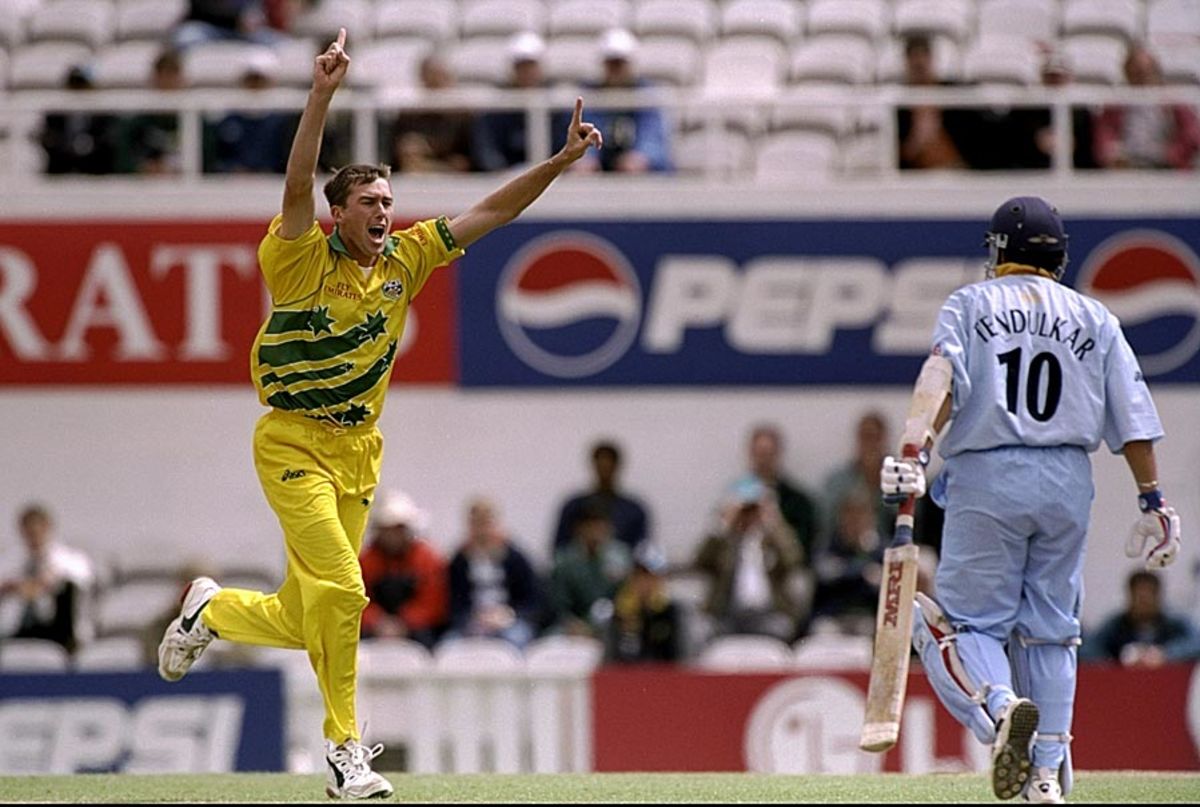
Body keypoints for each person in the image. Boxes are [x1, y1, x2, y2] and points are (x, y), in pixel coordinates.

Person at [154, 27, 602, 801]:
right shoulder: (298, 254)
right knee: (347, 592)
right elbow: (296, 183)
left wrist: (558, 165)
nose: (385, 213)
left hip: (359, 452)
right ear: (338, 213)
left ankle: (215, 611)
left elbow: (491, 211)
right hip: (292, 441)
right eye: (369, 202)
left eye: (389, 201)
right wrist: (321, 93)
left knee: (308, 615)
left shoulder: (407, 258)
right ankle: (344, 752)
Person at [881, 195, 1182, 804]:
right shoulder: (1095, 317)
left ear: (998, 252)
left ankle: (997, 711)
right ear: (1059, 256)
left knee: (964, 625)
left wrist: (915, 453)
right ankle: (1046, 775)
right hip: (1068, 479)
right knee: (1051, 633)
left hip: (989, 474)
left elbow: (943, 380)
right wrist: (1153, 501)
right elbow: (1133, 418)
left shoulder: (968, 303)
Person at [693, 477, 805, 644]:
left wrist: (773, 521)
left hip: (768, 613)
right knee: (702, 629)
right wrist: (723, 523)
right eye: (745, 510)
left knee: (782, 627)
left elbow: (794, 560)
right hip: (727, 614)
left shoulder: (771, 540)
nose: (749, 516)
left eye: (754, 510)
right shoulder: (724, 542)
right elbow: (699, 562)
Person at [566, 28, 673, 174]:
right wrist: (585, 158)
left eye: (620, 63)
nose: (615, 69)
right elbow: (584, 131)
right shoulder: (589, 96)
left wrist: (641, 157)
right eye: (611, 63)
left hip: (639, 175)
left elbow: (653, 135)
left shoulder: (646, 96)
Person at [446, 496, 544, 650]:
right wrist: (473, 617)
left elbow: (532, 601)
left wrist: (509, 614)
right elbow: (454, 603)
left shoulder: (515, 557)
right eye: (476, 523)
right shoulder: (459, 560)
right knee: (449, 645)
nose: (482, 530)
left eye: (486, 523)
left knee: (516, 639)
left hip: (510, 620)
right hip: (472, 621)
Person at [0, 504, 96, 654]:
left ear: (47, 528)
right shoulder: (11, 561)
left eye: (37, 531)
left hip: (57, 629)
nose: (33, 537)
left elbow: (85, 576)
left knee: (67, 588)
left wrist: (51, 579)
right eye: (28, 532)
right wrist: (13, 587)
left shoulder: (67, 558)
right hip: (19, 626)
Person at [358, 490, 448, 649]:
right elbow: (356, 600)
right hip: (373, 629)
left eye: (398, 528)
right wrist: (378, 622)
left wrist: (403, 623)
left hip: (417, 629)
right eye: (387, 529)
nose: (393, 535)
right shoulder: (365, 560)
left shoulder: (428, 559)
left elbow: (433, 603)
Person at [1094, 43, 1200, 170]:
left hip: (1166, 167)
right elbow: (1104, 135)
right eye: (1136, 73)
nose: (1142, 78)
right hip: (1127, 167)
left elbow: (1192, 133)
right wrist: (1112, 156)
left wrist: (1174, 155)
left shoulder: (1174, 101)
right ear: (1127, 74)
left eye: (1147, 72)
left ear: (1156, 71)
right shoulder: (1116, 104)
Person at [732, 423, 820, 562]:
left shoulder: (798, 502)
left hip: (780, 575)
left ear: (778, 454)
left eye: (768, 454)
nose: (763, 461)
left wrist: (775, 522)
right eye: (759, 454)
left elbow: (803, 550)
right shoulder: (734, 497)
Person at [471, 31, 557, 172]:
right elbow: (487, 150)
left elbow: (563, 144)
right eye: (521, 66)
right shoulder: (496, 109)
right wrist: (503, 173)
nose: (527, 72)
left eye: (531, 65)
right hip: (505, 180)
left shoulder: (558, 107)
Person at [1079, 570, 1200, 667]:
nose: (1144, 603)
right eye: (1140, 597)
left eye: (1149, 596)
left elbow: (1195, 644)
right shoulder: (1115, 625)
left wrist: (1165, 655)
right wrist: (1115, 662)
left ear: (1158, 596)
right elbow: (1089, 649)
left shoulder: (1175, 623)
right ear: (1130, 596)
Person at [549, 500, 632, 640]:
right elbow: (559, 604)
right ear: (579, 529)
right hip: (574, 624)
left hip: (613, 623)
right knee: (552, 637)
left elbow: (626, 595)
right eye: (591, 527)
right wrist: (573, 624)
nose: (596, 533)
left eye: (601, 527)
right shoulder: (564, 560)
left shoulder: (621, 556)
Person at [808, 486, 885, 638]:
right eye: (849, 515)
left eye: (860, 515)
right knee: (822, 631)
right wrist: (863, 572)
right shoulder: (828, 546)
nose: (854, 521)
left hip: (867, 617)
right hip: (833, 616)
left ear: (871, 518)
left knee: (872, 633)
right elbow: (827, 574)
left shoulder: (881, 549)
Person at [551, 439, 650, 555]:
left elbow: (642, 549)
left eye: (608, 466)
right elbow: (559, 547)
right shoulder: (574, 507)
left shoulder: (633, 511)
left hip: (622, 570)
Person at [204, 52, 296, 174]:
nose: (255, 86)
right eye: (251, 80)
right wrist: (232, 169)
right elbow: (217, 159)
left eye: (260, 81)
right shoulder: (227, 121)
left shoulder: (282, 122)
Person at [389, 55, 475, 174]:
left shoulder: (463, 117)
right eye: (432, 77)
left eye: (442, 77)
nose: (438, 83)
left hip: (456, 179)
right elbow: (402, 156)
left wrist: (429, 151)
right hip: (414, 177)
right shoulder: (409, 115)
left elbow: (464, 163)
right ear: (423, 80)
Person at [820, 410, 895, 545]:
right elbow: (827, 523)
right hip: (843, 551)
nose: (870, 444)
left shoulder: (899, 480)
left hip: (889, 547)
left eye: (875, 437)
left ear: (884, 440)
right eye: (865, 437)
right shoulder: (837, 482)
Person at [896, 35, 968, 170]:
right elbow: (896, 154)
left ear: (931, 60)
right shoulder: (899, 104)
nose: (919, 69)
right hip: (917, 175)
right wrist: (917, 140)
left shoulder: (954, 93)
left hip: (957, 168)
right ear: (907, 64)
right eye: (915, 66)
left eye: (922, 64)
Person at [606, 541, 684, 663]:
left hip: (663, 677)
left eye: (651, 577)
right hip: (626, 677)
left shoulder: (670, 612)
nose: (645, 583)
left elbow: (680, 656)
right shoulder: (619, 611)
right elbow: (611, 656)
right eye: (640, 576)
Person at [116, 49, 187, 175]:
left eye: (173, 76)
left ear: (181, 80)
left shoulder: (195, 123)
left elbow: (208, 162)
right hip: (144, 189)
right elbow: (122, 160)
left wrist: (179, 170)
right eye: (163, 76)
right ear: (154, 80)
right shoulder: (136, 125)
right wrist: (141, 168)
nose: (168, 83)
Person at [39, 66, 121, 175]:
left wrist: (91, 146)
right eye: (74, 85)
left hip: (95, 172)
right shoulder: (55, 114)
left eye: (82, 85)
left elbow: (109, 142)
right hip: (62, 171)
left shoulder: (104, 115)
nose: (78, 90)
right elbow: (49, 140)